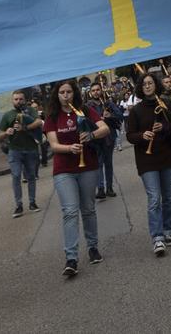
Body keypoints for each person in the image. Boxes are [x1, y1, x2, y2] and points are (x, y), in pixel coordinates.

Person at [44, 79, 110, 276]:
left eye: (69, 92)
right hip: (64, 169)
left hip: (88, 166)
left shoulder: (83, 110)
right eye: (62, 92)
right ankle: (71, 257)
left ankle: (93, 247)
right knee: (70, 211)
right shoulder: (52, 117)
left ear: (75, 94)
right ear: (57, 95)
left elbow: (104, 128)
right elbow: (54, 145)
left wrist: (91, 136)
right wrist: (69, 148)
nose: (66, 96)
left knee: (88, 209)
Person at [127, 73, 171, 256]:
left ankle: (168, 230)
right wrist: (142, 136)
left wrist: (165, 127)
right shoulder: (136, 110)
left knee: (168, 197)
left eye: (150, 83)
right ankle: (157, 237)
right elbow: (130, 135)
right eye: (144, 84)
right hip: (147, 160)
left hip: (167, 157)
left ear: (156, 85)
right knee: (154, 198)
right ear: (140, 87)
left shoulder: (166, 104)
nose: (147, 86)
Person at [0, 90, 43, 217]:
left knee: (31, 177)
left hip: (30, 149)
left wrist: (25, 128)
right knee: (16, 176)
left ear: (24, 100)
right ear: (12, 101)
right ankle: (18, 205)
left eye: (20, 99)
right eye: (16, 99)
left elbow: (39, 122)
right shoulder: (8, 115)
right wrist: (6, 132)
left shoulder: (30, 110)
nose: (18, 101)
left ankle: (32, 203)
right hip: (15, 150)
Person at [87, 81, 123, 200]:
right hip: (96, 138)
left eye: (98, 90)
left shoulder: (108, 103)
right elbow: (84, 121)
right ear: (90, 93)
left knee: (108, 163)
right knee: (98, 163)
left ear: (101, 91)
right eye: (93, 90)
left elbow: (119, 115)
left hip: (109, 137)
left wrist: (109, 116)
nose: (96, 92)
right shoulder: (88, 106)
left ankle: (109, 188)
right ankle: (101, 189)